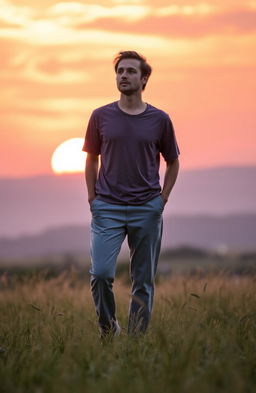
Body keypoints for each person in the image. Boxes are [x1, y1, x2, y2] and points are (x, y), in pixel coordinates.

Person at [82, 50, 180, 338]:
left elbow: (173, 161)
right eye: (120, 71)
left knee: (143, 281)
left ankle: (136, 343)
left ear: (144, 78)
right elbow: (91, 159)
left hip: (147, 208)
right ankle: (108, 328)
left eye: (130, 71)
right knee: (100, 274)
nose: (123, 75)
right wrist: (92, 199)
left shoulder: (160, 119)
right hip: (107, 208)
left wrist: (162, 200)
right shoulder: (100, 116)